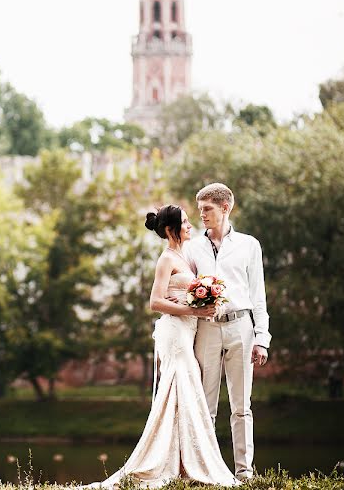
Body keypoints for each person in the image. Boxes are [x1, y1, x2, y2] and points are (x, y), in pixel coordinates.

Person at [85, 205, 238, 488]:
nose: (191, 226)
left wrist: (203, 301)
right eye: (185, 223)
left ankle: (182, 461)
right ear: (170, 230)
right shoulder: (166, 258)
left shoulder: (185, 255)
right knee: (180, 384)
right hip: (175, 333)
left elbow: (184, 295)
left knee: (185, 389)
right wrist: (194, 311)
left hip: (187, 331)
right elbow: (155, 302)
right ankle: (168, 462)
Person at [185, 183, 271, 482]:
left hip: (241, 328)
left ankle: (244, 474)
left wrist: (262, 339)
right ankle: (204, 472)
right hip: (206, 330)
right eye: (200, 210)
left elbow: (258, 296)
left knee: (241, 407)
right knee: (205, 406)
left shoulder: (249, 245)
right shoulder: (192, 246)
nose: (202, 216)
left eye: (207, 209)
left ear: (225, 208)